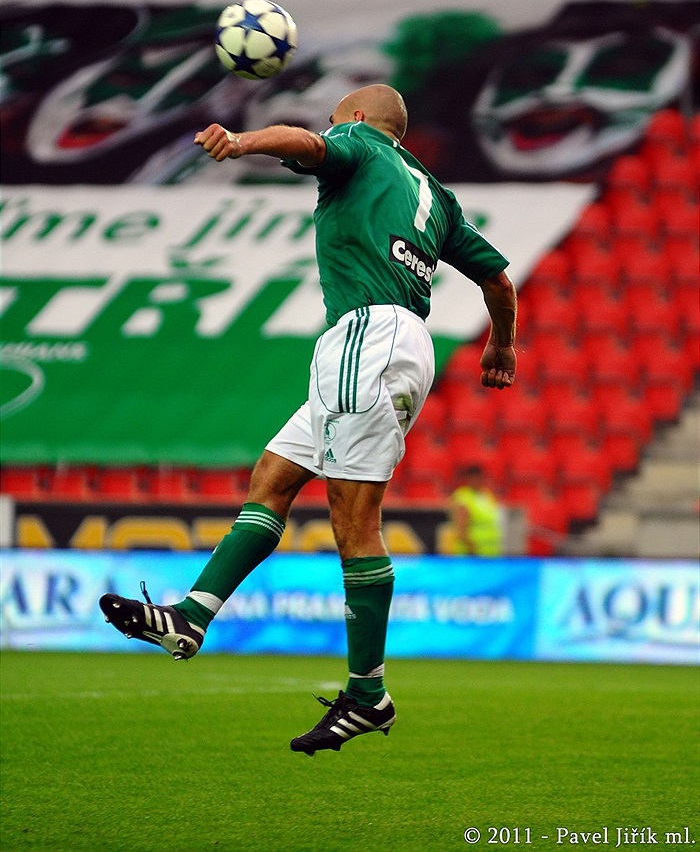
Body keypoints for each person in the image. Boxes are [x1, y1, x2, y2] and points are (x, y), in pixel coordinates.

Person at [100, 83, 517, 756]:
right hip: (392, 343)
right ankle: (191, 616)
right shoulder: (435, 196)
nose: (331, 125)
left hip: (366, 336)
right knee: (274, 476)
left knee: (354, 520)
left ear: (360, 118)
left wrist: (242, 142)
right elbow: (497, 280)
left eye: (337, 118)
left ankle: (367, 694)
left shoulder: (359, 142)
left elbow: (307, 143)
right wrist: (501, 344)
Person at [448, 464, 504, 556]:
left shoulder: (487, 495)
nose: (476, 481)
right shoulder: (463, 497)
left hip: (490, 552)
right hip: (472, 555)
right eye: (473, 478)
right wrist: (474, 551)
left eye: (478, 478)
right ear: (467, 479)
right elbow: (461, 531)